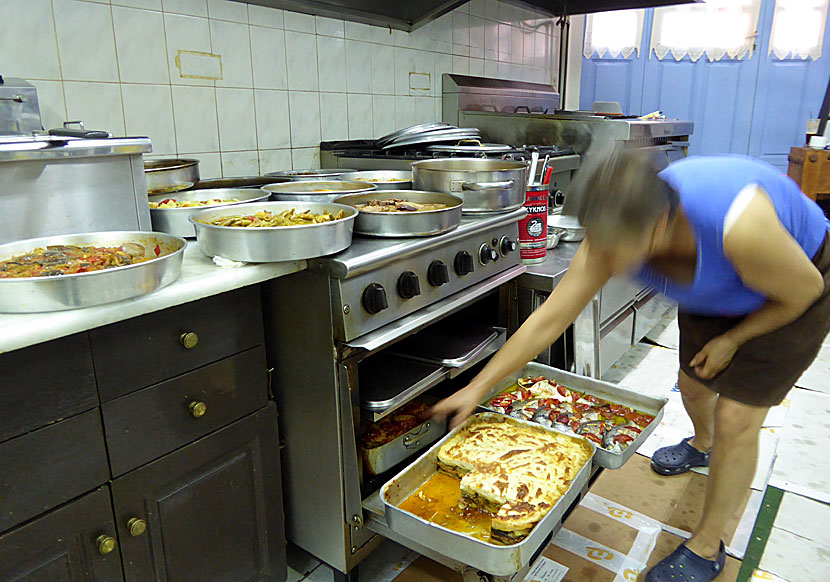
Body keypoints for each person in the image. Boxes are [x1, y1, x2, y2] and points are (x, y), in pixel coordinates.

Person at [431, 149, 830, 582]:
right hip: (718, 286)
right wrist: (478, 388)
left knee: (737, 418)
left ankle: (708, 543)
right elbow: (549, 319)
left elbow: (804, 291)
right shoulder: (616, 229)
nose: (602, 258)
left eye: (613, 249)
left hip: (792, 282)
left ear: (658, 226)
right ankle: (702, 444)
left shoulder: (741, 227)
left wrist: (734, 338)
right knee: (693, 385)